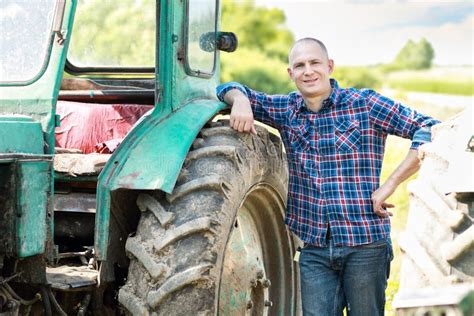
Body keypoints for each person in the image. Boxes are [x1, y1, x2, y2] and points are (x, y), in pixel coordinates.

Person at [216, 37, 440, 315]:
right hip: (315, 250)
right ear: (291, 73)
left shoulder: (365, 104)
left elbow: (430, 128)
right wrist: (239, 100)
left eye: (314, 63)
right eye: (299, 65)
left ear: (329, 66)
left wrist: (390, 185)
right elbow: (225, 87)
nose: (308, 71)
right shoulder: (287, 110)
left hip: (364, 244)